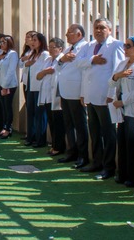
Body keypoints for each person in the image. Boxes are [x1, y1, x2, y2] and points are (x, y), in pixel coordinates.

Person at [76, 18, 125, 180]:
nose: (98, 30)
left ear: (110, 30)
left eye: (102, 28)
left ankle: (109, 167)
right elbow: (79, 64)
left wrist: (112, 95)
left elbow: (117, 70)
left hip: (106, 96)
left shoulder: (116, 45)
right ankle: (96, 162)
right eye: (96, 27)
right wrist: (92, 60)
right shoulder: (89, 46)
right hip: (91, 95)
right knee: (95, 131)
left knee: (108, 133)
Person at [108, 36, 134, 188]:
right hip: (122, 110)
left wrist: (123, 102)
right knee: (123, 142)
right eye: (124, 45)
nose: (125, 49)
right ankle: (123, 173)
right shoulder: (123, 63)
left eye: (128, 46)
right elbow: (111, 82)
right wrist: (118, 75)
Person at [56, 24, 89, 169]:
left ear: (79, 34)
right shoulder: (69, 49)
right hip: (65, 91)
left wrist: (83, 93)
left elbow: (84, 70)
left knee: (80, 125)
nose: (67, 35)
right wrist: (62, 60)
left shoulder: (86, 47)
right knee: (68, 124)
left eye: (70, 32)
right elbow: (58, 66)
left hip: (76, 92)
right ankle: (71, 152)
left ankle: (83, 156)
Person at [37, 37, 66, 156]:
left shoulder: (63, 60)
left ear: (60, 49)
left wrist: (45, 72)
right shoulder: (47, 60)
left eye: (53, 47)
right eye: (49, 47)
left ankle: (59, 147)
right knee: (51, 121)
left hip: (57, 96)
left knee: (58, 122)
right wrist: (44, 72)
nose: (50, 49)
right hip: (46, 95)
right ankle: (54, 145)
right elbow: (38, 76)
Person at [24, 32, 50, 148]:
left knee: (40, 115)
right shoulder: (32, 54)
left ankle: (40, 140)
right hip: (30, 86)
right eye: (32, 40)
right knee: (31, 112)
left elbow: (43, 70)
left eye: (35, 40)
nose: (32, 42)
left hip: (39, 88)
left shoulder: (44, 54)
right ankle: (31, 136)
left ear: (41, 42)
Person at [0, 35, 18, 139]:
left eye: (4, 42)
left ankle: (8, 129)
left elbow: (11, 71)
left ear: (9, 43)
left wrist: (5, 86)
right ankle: (4, 126)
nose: (1, 44)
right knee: (3, 107)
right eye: (1, 42)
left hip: (9, 85)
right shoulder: (1, 53)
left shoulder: (13, 54)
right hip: (1, 84)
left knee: (8, 107)